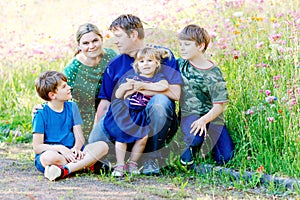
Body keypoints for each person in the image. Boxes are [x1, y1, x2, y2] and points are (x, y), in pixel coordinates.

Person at [89, 14, 182, 176]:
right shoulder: (115, 65)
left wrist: (143, 87)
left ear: (133, 34)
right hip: (124, 118)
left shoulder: (163, 56)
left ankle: (152, 157)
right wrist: (94, 136)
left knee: (160, 102)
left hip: (152, 120)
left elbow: (175, 93)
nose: (115, 41)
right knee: (93, 146)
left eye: (118, 36)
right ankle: (121, 158)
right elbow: (105, 103)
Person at [32, 70, 109, 181]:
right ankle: (86, 165)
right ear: (52, 95)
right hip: (54, 153)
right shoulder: (40, 113)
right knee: (48, 158)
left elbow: (79, 137)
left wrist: (76, 148)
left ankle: (64, 170)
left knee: (102, 146)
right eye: (64, 86)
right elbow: (37, 147)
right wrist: (60, 148)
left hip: (73, 152)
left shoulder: (72, 107)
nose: (69, 87)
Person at [177, 24, 234, 169]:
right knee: (193, 139)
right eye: (180, 44)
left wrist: (204, 120)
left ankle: (207, 144)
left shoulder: (213, 73)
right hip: (190, 114)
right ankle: (185, 147)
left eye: (187, 44)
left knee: (225, 157)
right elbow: (160, 56)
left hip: (211, 116)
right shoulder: (181, 64)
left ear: (201, 46)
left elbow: (218, 106)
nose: (182, 48)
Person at [109, 47, 170, 177]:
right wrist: (126, 86)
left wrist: (142, 85)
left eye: (150, 61)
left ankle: (132, 163)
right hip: (127, 111)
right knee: (122, 136)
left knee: (142, 137)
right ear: (137, 65)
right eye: (142, 61)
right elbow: (118, 94)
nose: (146, 64)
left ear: (157, 64)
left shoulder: (158, 77)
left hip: (141, 113)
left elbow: (164, 86)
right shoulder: (132, 76)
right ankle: (119, 165)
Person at [63, 23, 117, 140]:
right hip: (83, 116)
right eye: (86, 43)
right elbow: (58, 92)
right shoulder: (73, 68)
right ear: (79, 46)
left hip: (109, 110)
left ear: (101, 40)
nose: (91, 46)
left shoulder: (111, 56)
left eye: (95, 41)